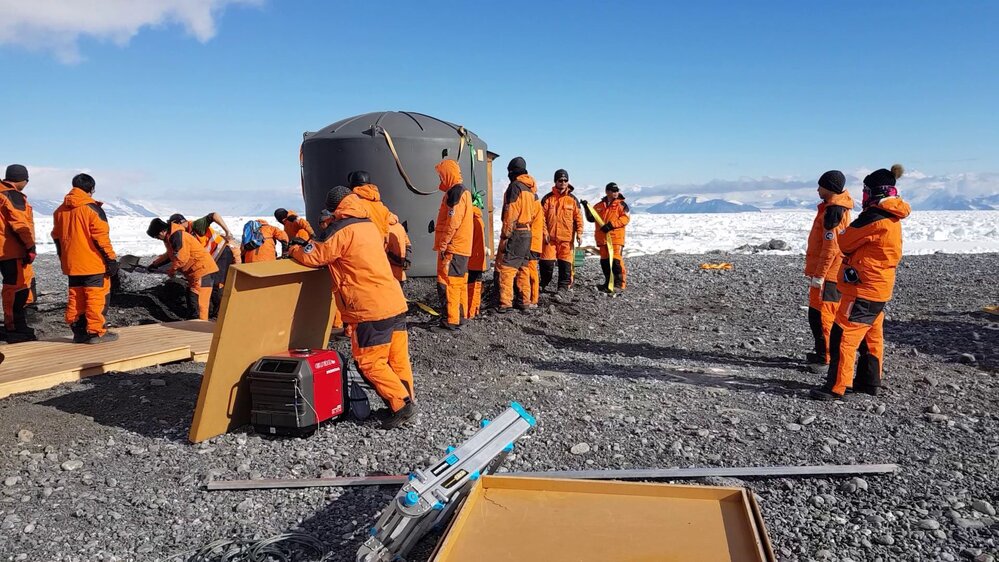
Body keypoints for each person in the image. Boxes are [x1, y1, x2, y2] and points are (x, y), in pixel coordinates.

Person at [287, 186, 416, 429]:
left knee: (369, 362)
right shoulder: (368, 224)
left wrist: (294, 248)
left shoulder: (340, 229)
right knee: (397, 360)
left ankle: (402, 406)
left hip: (369, 307)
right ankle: (406, 401)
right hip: (394, 301)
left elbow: (314, 255)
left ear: (335, 208)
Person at [811, 165, 910, 401]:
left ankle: (837, 386)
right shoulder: (893, 216)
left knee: (843, 335)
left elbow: (844, 242)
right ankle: (869, 382)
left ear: (873, 192)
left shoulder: (874, 218)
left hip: (863, 289)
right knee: (871, 336)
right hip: (879, 287)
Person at [51, 174, 119, 343]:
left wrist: (64, 258)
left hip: (72, 264)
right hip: (93, 263)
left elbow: (57, 238)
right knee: (96, 296)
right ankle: (95, 332)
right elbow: (101, 238)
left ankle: (79, 331)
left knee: (76, 296)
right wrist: (111, 260)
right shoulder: (92, 209)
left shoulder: (60, 211)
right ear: (91, 189)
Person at [803, 171, 854, 372]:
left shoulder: (834, 211)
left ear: (829, 187)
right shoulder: (831, 208)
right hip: (826, 274)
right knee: (816, 314)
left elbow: (831, 248)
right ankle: (821, 353)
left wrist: (820, 275)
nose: (817, 189)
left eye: (820, 186)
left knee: (824, 316)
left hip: (829, 276)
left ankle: (826, 357)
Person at [146, 217, 219, 320]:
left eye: (157, 236)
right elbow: (170, 255)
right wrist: (155, 264)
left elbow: (181, 258)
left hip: (203, 272)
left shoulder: (177, 236)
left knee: (199, 303)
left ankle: (200, 328)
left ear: (162, 231)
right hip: (197, 273)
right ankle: (193, 324)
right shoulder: (171, 237)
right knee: (192, 297)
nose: (157, 238)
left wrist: (172, 270)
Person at [433, 159, 473, 329]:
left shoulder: (455, 193)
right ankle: (459, 317)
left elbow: (452, 223)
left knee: (448, 284)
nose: (440, 179)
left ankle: (450, 320)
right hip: (461, 247)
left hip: (452, 247)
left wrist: (443, 245)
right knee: (459, 283)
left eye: (441, 175)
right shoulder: (462, 191)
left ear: (447, 174)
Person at [169, 214, 237, 310]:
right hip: (211, 259)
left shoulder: (196, 226)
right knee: (208, 283)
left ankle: (221, 311)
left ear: (181, 223)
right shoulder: (183, 234)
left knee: (217, 283)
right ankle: (214, 309)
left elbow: (214, 215)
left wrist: (227, 231)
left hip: (221, 252)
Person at [496, 157, 538, 312]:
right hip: (527, 232)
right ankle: (524, 302)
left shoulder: (515, 187)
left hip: (517, 232)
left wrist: (505, 235)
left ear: (511, 171)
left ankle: (505, 303)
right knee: (523, 268)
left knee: (507, 268)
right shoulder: (530, 189)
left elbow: (511, 213)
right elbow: (533, 213)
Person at [0, 164, 36, 342]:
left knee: (12, 285)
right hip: (11, 250)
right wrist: (30, 247)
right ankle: (14, 326)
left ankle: (14, 323)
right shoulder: (12, 195)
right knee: (16, 288)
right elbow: (20, 224)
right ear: (21, 179)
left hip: (3, 249)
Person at [540, 169, 584, 296]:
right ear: (555, 181)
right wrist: (545, 233)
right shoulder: (548, 199)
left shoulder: (572, 199)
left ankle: (563, 288)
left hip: (566, 239)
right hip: (550, 239)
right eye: (560, 180)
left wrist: (580, 233)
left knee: (565, 265)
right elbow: (541, 218)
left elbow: (578, 218)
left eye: (565, 180)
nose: (563, 183)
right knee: (546, 263)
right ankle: (544, 283)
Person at [584, 182, 630, 291]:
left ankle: (619, 285)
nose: (615, 193)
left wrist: (611, 225)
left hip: (616, 238)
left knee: (616, 261)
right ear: (607, 192)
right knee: (604, 261)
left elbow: (625, 219)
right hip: (603, 238)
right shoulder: (599, 205)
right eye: (613, 191)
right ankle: (608, 282)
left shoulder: (622, 205)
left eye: (616, 191)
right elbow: (591, 218)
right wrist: (586, 207)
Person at [348, 170, 396, 239]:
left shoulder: (353, 202)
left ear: (352, 185)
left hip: (365, 243)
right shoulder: (379, 203)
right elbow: (391, 219)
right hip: (381, 244)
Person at [466, 189, 488, 319]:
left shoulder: (470, 220)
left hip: (470, 259)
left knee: (470, 285)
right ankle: (474, 310)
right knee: (477, 284)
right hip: (479, 259)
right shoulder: (479, 219)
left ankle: (469, 312)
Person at [386, 219, 412, 283]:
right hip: (401, 274)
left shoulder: (383, 228)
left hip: (390, 273)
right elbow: (408, 244)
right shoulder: (400, 227)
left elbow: (383, 249)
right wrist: (406, 259)